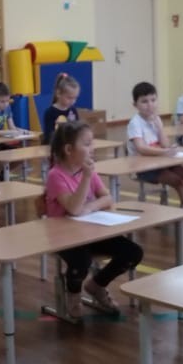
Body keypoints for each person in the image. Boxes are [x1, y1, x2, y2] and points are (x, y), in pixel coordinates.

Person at [46, 121, 143, 319]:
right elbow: (73, 208)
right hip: (64, 237)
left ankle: (97, 285)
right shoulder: (56, 175)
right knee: (81, 261)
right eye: (87, 144)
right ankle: (73, 294)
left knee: (133, 252)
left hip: (91, 231)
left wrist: (89, 207)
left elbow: (107, 198)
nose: (93, 148)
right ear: (69, 150)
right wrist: (86, 178)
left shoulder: (87, 171)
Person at [126, 81, 183, 223]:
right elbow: (141, 148)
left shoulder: (156, 119)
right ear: (135, 105)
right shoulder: (135, 123)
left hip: (162, 162)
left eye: (153, 100)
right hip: (144, 167)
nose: (150, 105)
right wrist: (164, 152)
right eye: (144, 101)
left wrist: (160, 129)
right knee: (179, 182)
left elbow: (165, 144)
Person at [42, 73, 80, 145]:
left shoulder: (73, 111)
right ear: (58, 93)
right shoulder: (50, 112)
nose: (73, 101)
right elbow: (49, 136)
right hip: (54, 146)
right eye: (69, 98)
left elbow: (77, 131)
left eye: (75, 98)